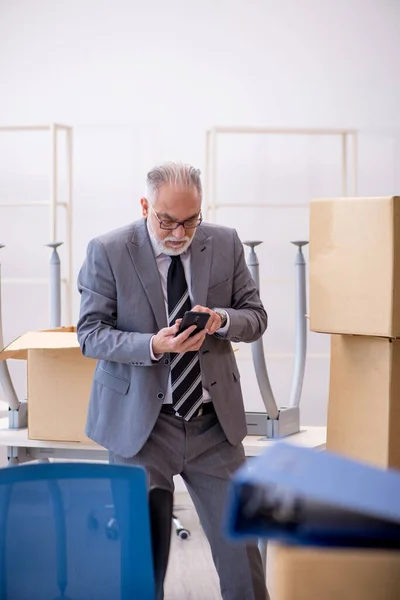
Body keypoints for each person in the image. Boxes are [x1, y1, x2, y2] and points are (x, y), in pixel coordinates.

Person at [77, 161, 269, 600]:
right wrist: (154, 345)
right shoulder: (108, 250)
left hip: (213, 424)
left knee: (243, 558)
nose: (180, 233)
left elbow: (255, 317)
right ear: (146, 205)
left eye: (190, 221)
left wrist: (220, 319)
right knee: (141, 561)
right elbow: (89, 334)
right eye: (167, 220)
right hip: (140, 425)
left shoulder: (223, 242)